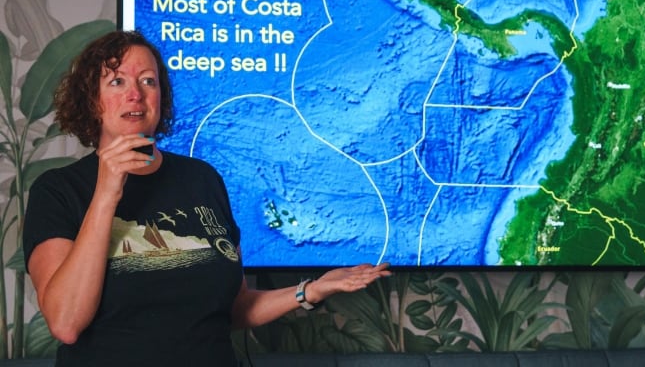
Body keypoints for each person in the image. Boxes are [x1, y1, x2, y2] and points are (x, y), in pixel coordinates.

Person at [22, 30, 391, 366]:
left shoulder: (202, 179)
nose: (135, 93)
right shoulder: (58, 190)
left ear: (160, 98)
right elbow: (66, 323)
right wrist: (106, 193)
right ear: (92, 99)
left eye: (148, 81)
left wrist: (310, 290)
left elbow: (232, 308)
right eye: (117, 81)